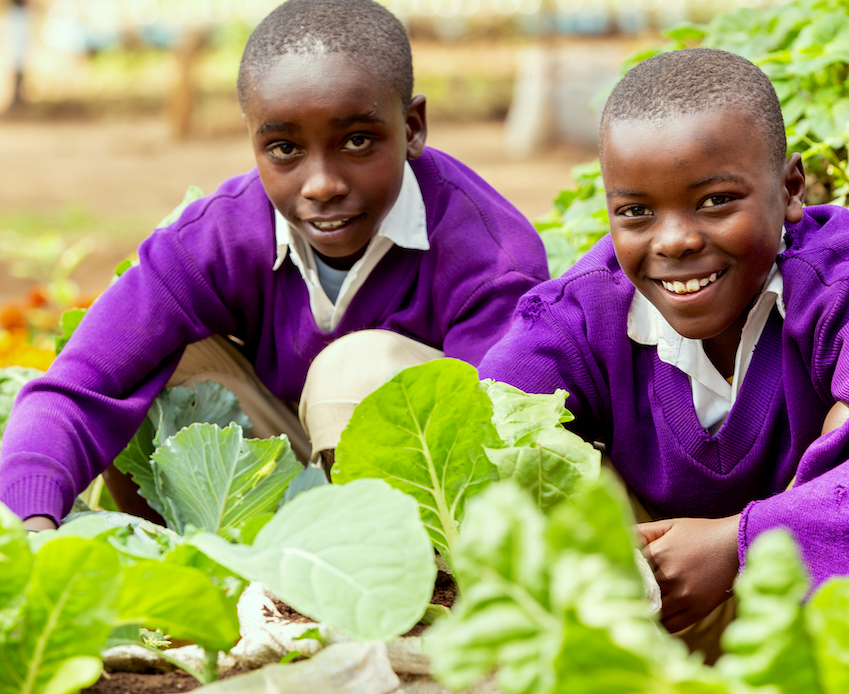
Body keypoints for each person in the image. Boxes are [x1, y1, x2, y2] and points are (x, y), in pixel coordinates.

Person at [478, 48, 849, 658]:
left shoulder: (844, 285)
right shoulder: (587, 311)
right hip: (683, 619)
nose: (677, 240)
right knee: (529, 452)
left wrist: (745, 543)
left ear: (790, 189)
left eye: (715, 201)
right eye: (635, 212)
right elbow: (482, 424)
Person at [1, 0, 548, 531]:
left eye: (358, 141)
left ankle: (376, 594)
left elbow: (500, 452)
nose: (322, 185)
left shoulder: (491, 256)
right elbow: (77, 388)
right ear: (254, 141)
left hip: (416, 514)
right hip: (282, 474)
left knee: (355, 370)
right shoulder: (218, 237)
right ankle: (186, 581)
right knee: (151, 360)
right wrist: (26, 524)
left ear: (412, 128)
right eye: (285, 149)